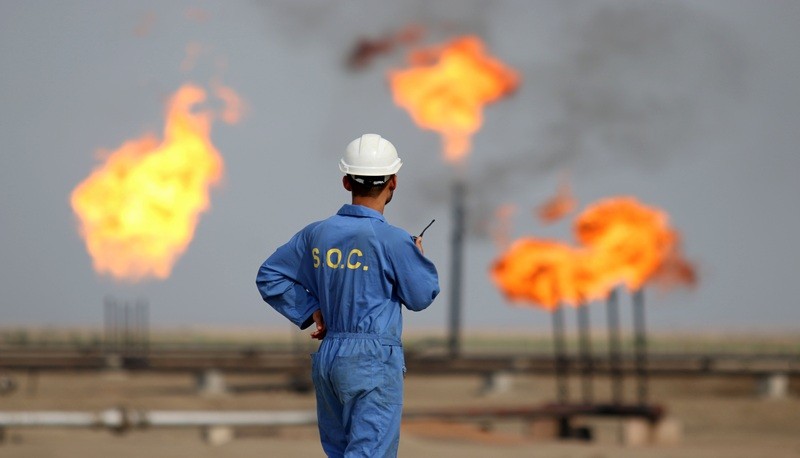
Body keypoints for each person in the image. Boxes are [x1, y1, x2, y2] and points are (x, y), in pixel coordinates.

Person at [256, 133, 440, 457]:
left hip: (330, 358)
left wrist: (311, 310)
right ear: (393, 182)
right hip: (372, 360)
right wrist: (416, 258)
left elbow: (270, 276)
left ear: (346, 181)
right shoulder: (394, 240)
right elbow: (421, 296)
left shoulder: (317, 233)